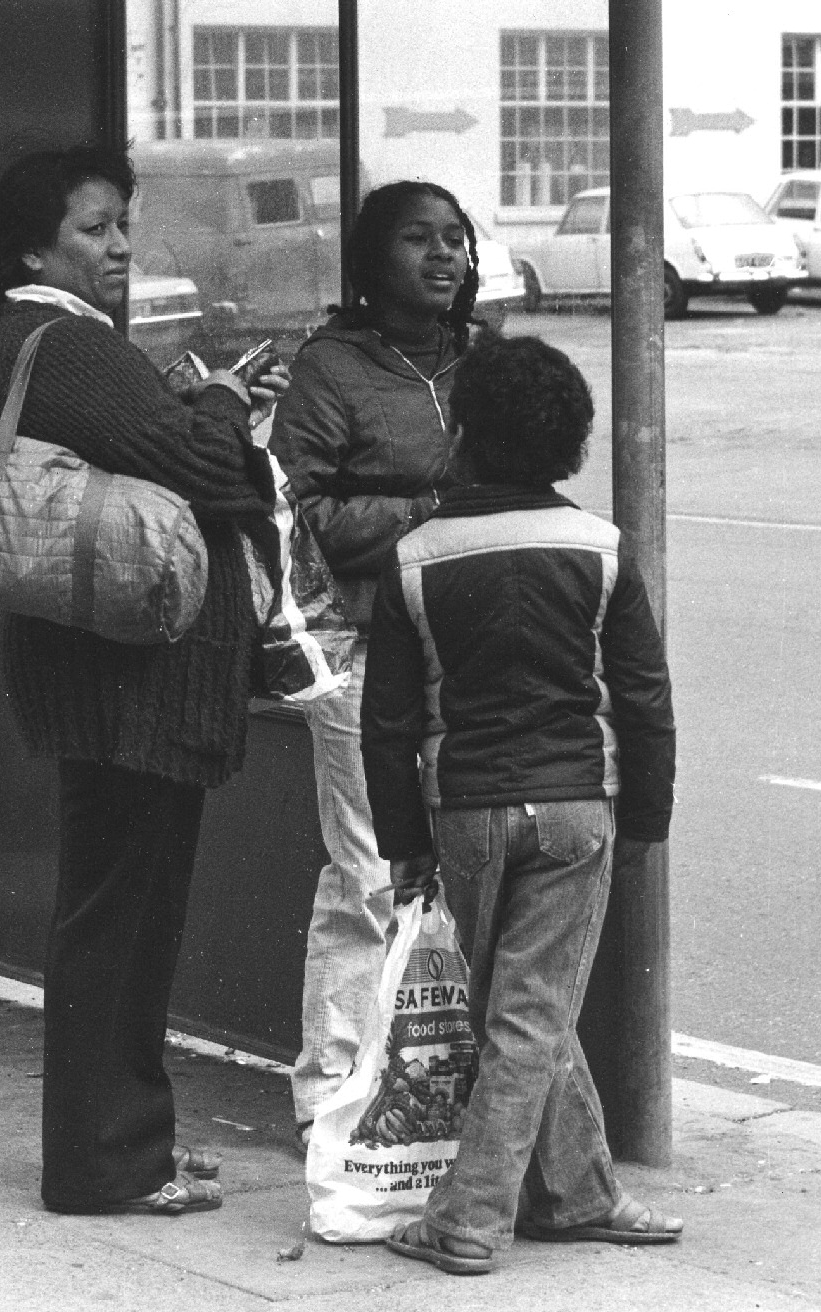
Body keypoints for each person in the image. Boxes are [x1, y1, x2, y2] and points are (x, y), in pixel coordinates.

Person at [0, 144, 286, 1216]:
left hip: (108, 679)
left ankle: (131, 1145)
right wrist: (227, 401)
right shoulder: (71, 345)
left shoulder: (49, 341)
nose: (121, 246)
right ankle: (105, 1165)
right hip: (123, 685)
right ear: (37, 245)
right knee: (121, 918)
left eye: (123, 225)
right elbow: (204, 471)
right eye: (95, 228)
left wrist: (199, 415)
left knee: (122, 913)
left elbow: (163, 452)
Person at [360, 333, 682, 1274]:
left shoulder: (415, 556)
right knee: (529, 1014)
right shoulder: (600, 547)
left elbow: (387, 724)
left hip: (466, 814)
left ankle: (575, 1192)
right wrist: (648, 821)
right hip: (578, 806)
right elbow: (645, 700)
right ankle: (474, 1219)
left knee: (520, 1008)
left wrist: (403, 842)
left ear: (461, 432)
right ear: (571, 444)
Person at [269, 180, 480, 1151]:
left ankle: (421, 1083)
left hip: (457, 644)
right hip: (352, 642)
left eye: (454, 240)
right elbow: (295, 515)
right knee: (364, 870)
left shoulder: (476, 363)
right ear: (369, 260)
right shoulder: (331, 367)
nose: (441, 256)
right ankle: (326, 1090)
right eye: (416, 240)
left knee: (448, 867)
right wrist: (417, 517)